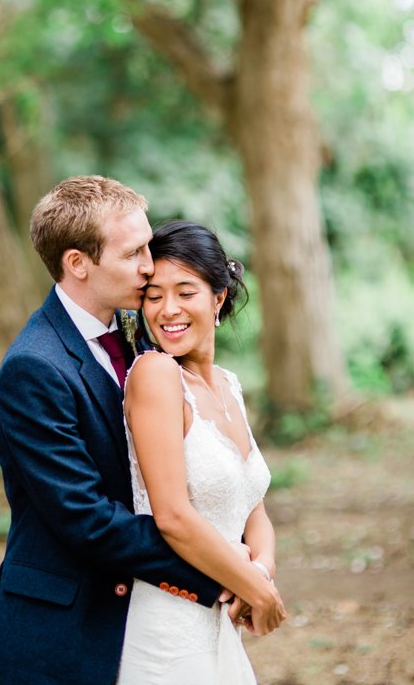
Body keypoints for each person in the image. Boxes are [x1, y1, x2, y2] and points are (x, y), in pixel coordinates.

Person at [0, 176, 284, 684]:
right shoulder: (35, 366)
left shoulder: (147, 344)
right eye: (134, 251)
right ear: (78, 263)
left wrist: (252, 567)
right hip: (59, 636)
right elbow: (87, 518)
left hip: (148, 620)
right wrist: (228, 574)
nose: (147, 263)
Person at [117, 219, 286, 685]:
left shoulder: (229, 386)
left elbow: (253, 508)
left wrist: (262, 573)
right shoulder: (155, 374)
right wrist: (253, 588)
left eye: (185, 292)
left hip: (219, 619)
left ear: (219, 298)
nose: (168, 309)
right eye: (153, 296)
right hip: (167, 628)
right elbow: (171, 515)